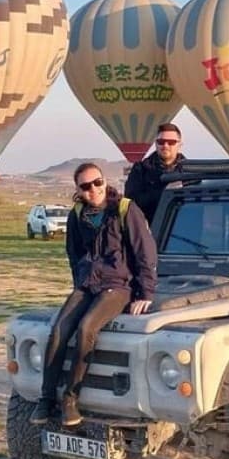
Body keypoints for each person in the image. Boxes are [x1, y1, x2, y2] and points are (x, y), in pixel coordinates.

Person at [30, 162, 157, 427]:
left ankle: (70, 399)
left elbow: (144, 251)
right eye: (86, 186)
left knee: (87, 327)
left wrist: (145, 292)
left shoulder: (124, 209)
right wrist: (80, 282)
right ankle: (45, 399)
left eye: (97, 182)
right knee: (59, 330)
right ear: (78, 189)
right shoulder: (78, 215)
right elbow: (73, 253)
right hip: (88, 284)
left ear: (105, 180)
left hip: (118, 286)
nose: (93, 190)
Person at [124, 123, 185, 225]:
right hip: (149, 232)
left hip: (183, 232)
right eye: (161, 142)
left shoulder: (190, 173)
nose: (165, 146)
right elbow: (130, 203)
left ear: (180, 145)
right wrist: (164, 192)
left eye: (171, 142)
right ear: (155, 144)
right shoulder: (141, 170)